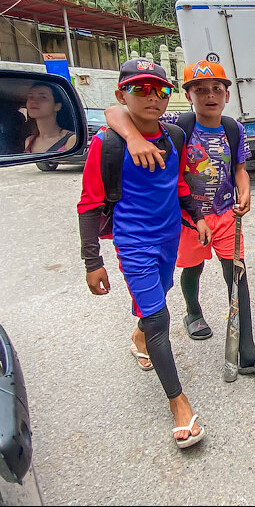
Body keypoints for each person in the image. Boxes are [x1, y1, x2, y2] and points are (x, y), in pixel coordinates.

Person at [104, 60, 255, 375]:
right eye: (200, 90)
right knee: (192, 268)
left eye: (217, 89)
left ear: (227, 95)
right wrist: (133, 138)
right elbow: (113, 112)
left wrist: (245, 192)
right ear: (189, 96)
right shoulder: (176, 125)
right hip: (186, 218)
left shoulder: (234, 128)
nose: (209, 96)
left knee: (237, 277)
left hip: (226, 214)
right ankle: (192, 311)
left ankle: (246, 349)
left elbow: (240, 170)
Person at [78, 59, 212, 449]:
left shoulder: (173, 136)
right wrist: (92, 262)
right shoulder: (109, 143)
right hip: (133, 243)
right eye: (140, 89)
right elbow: (89, 204)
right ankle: (179, 404)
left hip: (170, 238)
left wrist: (197, 217)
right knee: (159, 317)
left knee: (161, 293)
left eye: (160, 90)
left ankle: (138, 338)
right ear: (122, 94)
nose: (152, 97)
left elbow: (181, 182)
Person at [24, 83, 76, 153]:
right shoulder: (29, 141)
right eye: (30, 97)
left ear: (57, 106)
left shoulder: (71, 139)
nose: (33, 101)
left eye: (43, 97)